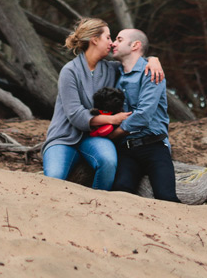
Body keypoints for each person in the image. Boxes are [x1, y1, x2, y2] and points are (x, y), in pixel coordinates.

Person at [41, 18, 162, 190]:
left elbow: (134, 59)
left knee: (108, 161)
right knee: (53, 178)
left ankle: (98, 206)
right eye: (108, 37)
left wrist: (153, 59)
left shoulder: (113, 68)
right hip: (64, 138)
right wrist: (113, 120)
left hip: (95, 138)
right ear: (94, 40)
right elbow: (76, 115)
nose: (112, 43)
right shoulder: (69, 71)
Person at [110, 27, 179, 203]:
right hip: (126, 149)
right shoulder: (114, 73)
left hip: (153, 146)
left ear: (135, 45)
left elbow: (144, 115)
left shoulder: (152, 72)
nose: (113, 43)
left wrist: (114, 134)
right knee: (120, 192)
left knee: (166, 197)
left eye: (119, 39)